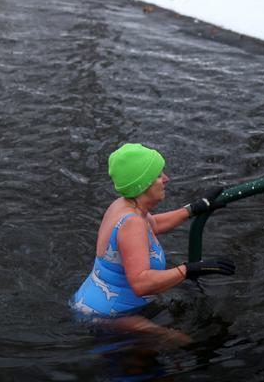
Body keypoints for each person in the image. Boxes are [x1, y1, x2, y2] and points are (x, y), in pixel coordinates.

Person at [71, 143, 234, 333]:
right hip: (108, 317)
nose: (166, 178)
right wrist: (189, 270)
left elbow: (154, 225)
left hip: (92, 304)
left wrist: (195, 208)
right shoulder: (132, 223)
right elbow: (142, 283)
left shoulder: (124, 205)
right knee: (180, 342)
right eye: (158, 176)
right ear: (143, 185)